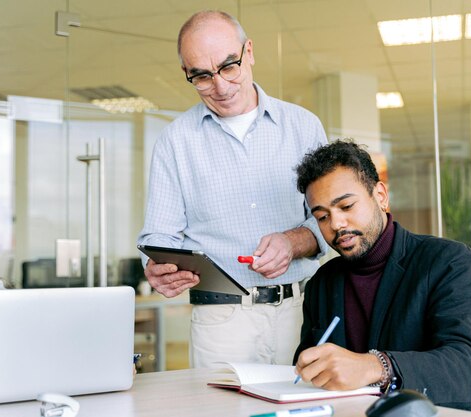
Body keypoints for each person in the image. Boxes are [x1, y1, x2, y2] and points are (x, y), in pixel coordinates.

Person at [137, 10, 328, 368]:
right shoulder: (174, 142)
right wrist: (155, 266)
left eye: (229, 66)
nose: (221, 87)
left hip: (302, 312)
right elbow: (158, 236)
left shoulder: (304, 127)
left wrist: (293, 241)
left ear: (249, 52)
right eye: (202, 76)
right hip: (220, 324)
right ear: (187, 74)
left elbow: (328, 223)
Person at [292, 139, 471, 415]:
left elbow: (469, 370)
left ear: (380, 196)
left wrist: (375, 366)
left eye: (346, 207)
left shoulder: (449, 262)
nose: (336, 224)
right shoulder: (322, 282)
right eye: (322, 217)